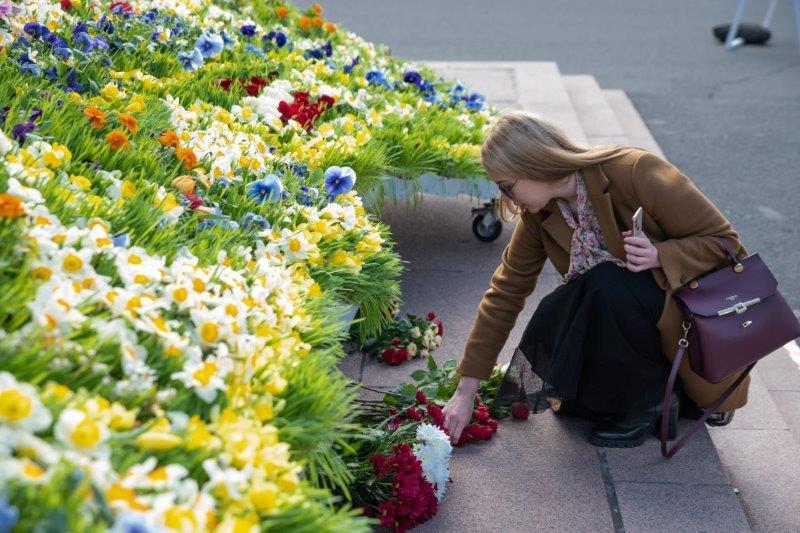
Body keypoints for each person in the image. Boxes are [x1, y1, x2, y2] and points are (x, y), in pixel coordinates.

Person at [443, 111, 751, 448]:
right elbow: (506, 291)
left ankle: (649, 402)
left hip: (686, 321)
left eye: (507, 187)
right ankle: (669, 393)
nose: (508, 201)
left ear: (531, 164)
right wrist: (466, 390)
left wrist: (660, 255)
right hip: (623, 325)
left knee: (605, 283)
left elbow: (727, 244)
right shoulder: (542, 213)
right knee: (564, 315)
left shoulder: (634, 170)